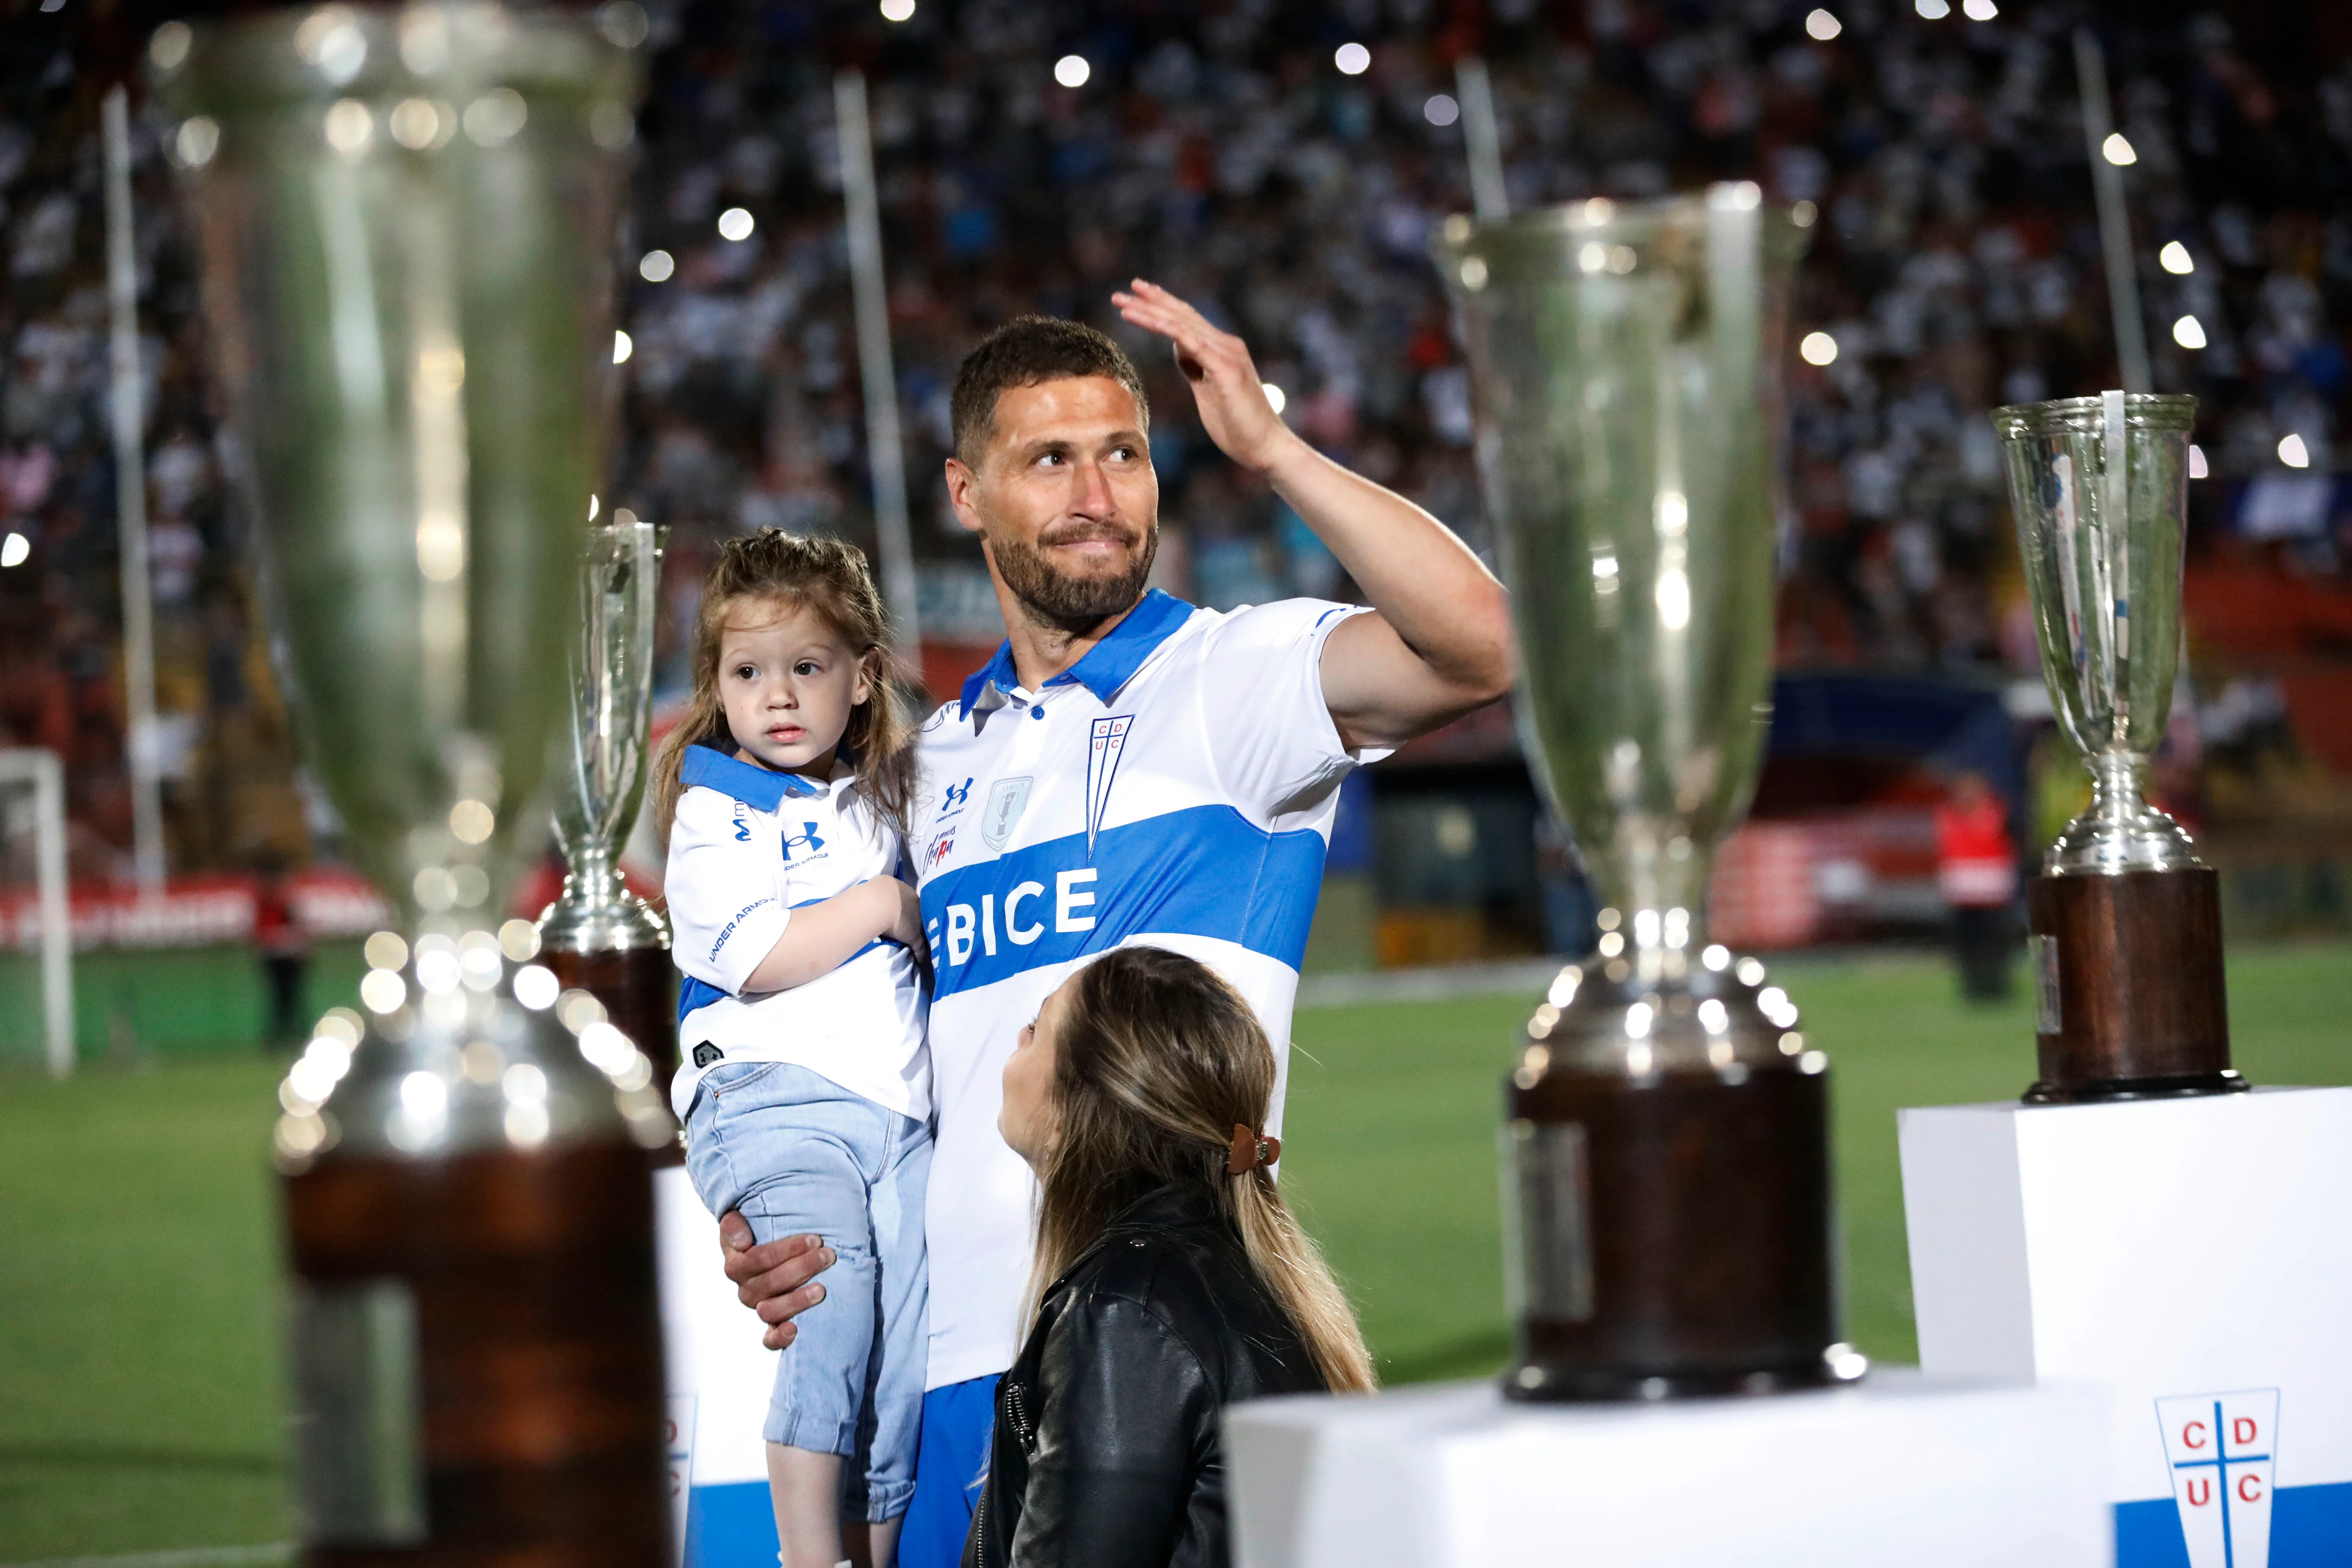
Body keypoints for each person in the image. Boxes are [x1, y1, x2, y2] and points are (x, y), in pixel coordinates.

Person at [722, 283, 1514, 1565]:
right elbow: (859, 1059)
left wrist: (1271, 449)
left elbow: (1481, 645)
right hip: (934, 1373)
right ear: (966, 493)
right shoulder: (928, 769)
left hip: (1138, 1350)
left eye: (1123, 455)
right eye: (1050, 459)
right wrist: (767, 1205)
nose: (1096, 495)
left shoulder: (1229, 682)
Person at [652, 531, 933, 1568]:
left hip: (903, 1116)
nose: (776, 695)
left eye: (806, 667)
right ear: (716, 686)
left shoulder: (891, 795)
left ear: (862, 677)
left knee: (908, 1358)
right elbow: (755, 955)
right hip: (773, 1101)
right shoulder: (717, 805)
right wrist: (883, 905)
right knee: (831, 1308)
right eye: (747, 672)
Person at [967, 944, 1372, 1567]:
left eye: (1037, 1028)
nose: (1019, 1040)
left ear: (1078, 1102)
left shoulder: (1124, 1313)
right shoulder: (1214, 1271)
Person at [1934, 771, 2017, 1003]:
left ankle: (1997, 987)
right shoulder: (1949, 815)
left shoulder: (1996, 813)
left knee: (1994, 942)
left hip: (1992, 889)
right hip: (1963, 890)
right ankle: (1973, 987)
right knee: (1968, 944)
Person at [251, 854, 310, 1049]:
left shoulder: (286, 902)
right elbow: (261, 931)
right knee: (280, 999)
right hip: (276, 956)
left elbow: (299, 929)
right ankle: (282, 1037)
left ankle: (294, 1035)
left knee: (290, 998)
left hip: (289, 955)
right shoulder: (267, 903)